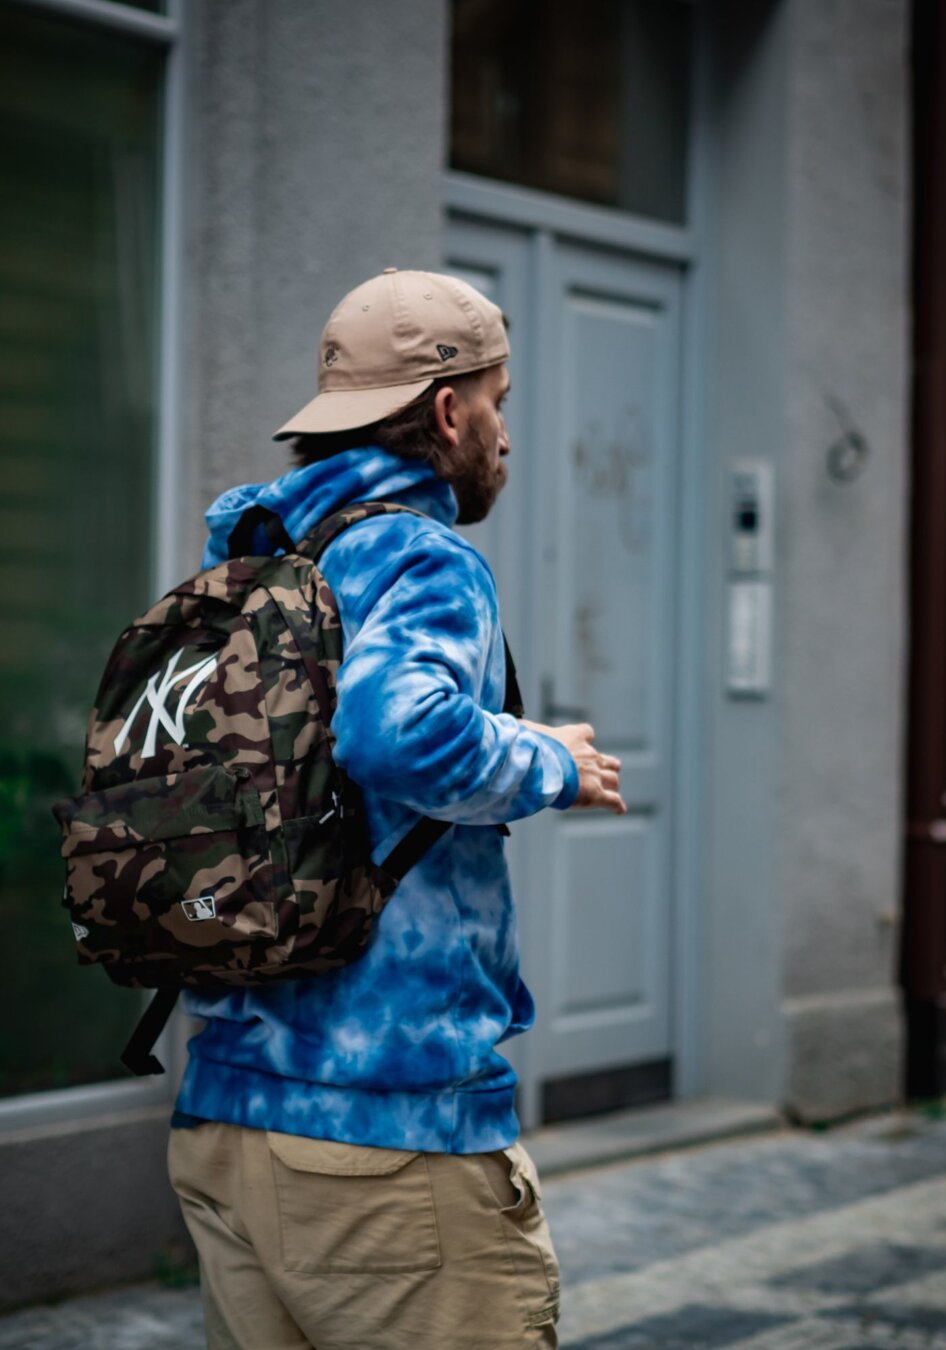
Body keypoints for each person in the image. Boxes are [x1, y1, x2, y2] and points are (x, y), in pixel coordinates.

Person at [167, 268, 627, 1350]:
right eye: (499, 404)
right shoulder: (420, 556)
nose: (505, 435)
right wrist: (546, 758)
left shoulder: (255, 558)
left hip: (225, 1123)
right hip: (387, 1141)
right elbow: (393, 731)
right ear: (445, 410)